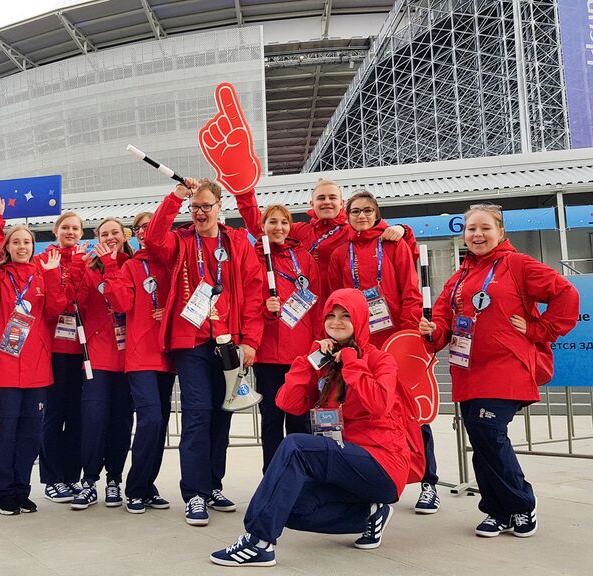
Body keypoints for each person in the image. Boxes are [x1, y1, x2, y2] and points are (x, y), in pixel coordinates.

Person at [210, 289, 423, 566]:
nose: (336, 321)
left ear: (359, 320)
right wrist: (309, 363)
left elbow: (379, 404)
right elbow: (287, 403)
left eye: (346, 316)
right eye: (331, 315)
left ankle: (258, 542)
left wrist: (351, 362)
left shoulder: (380, 360)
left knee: (296, 445)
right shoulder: (324, 362)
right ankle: (370, 514)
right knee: (292, 506)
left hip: (380, 463)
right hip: (342, 464)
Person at [419, 203, 579, 538]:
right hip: (468, 370)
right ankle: (497, 510)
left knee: (490, 434)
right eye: (471, 229)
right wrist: (431, 332)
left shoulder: (517, 264)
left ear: (500, 232)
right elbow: (444, 324)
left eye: (485, 228)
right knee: (482, 439)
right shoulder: (459, 278)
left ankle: (521, 504)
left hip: (506, 367)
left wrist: (541, 329)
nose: (477, 234)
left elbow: (566, 294)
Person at [144, 177, 264, 526]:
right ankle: (194, 493)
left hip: (228, 342)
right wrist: (175, 196)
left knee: (222, 415)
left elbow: (255, 291)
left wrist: (251, 340)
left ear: (219, 207)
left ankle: (212, 485)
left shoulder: (237, 242)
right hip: (191, 341)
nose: (199, 212)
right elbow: (152, 239)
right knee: (197, 414)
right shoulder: (181, 241)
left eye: (205, 206)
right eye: (194, 206)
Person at [327, 190, 438, 513]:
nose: (361, 216)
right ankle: (368, 485)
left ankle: (428, 481)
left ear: (377, 214)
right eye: (355, 211)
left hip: (393, 342)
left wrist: (405, 336)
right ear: (346, 216)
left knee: (412, 413)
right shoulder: (339, 253)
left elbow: (410, 291)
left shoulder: (393, 244)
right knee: (362, 414)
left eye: (367, 210)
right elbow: (334, 300)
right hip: (358, 346)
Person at [0, 224, 64, 515]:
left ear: (33, 246)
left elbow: (55, 310)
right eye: (17, 242)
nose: (22, 247)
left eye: (27, 242)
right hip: (5, 366)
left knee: (30, 434)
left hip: (37, 367)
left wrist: (50, 275)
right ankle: (0, 490)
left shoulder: (42, 274)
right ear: (7, 247)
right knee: (7, 432)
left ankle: (21, 488)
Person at [101, 211, 175, 514]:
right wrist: (109, 265)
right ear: (135, 234)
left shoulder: (173, 262)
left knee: (160, 426)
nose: (146, 231)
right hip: (141, 355)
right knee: (150, 420)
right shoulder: (130, 266)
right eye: (141, 228)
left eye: (151, 226)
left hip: (168, 354)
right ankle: (134, 487)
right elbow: (121, 304)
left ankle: (147, 486)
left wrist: (168, 310)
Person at [236, 179, 416, 300]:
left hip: (341, 307)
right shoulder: (299, 231)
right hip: (304, 303)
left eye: (332, 198)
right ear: (312, 204)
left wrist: (404, 230)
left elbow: (384, 232)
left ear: (342, 204)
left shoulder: (354, 229)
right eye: (321, 198)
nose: (327, 202)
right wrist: (244, 192)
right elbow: (261, 228)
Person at [69, 218, 135, 510]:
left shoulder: (133, 266)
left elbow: (123, 304)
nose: (110, 237)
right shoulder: (89, 267)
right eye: (104, 233)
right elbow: (77, 302)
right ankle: (89, 479)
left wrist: (110, 265)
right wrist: (80, 269)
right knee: (93, 418)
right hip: (97, 356)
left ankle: (114, 480)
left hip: (129, 358)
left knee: (121, 421)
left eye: (115, 233)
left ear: (124, 236)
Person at [252, 204, 319, 473]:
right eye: (272, 222)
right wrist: (263, 309)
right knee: (271, 418)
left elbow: (317, 301)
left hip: (300, 352)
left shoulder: (302, 258)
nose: (278, 228)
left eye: (284, 222)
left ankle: (300, 476)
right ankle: (272, 476)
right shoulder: (253, 257)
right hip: (267, 353)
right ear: (262, 226)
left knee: (299, 418)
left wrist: (316, 346)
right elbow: (245, 300)